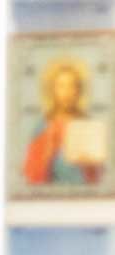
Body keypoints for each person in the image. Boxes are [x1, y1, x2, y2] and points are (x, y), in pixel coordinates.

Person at [25, 60, 105, 188]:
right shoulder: (43, 126)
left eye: (72, 86)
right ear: (52, 90)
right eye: (61, 86)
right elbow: (31, 173)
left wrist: (89, 163)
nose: (67, 92)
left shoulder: (87, 125)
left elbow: (100, 174)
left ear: (79, 91)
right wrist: (48, 150)